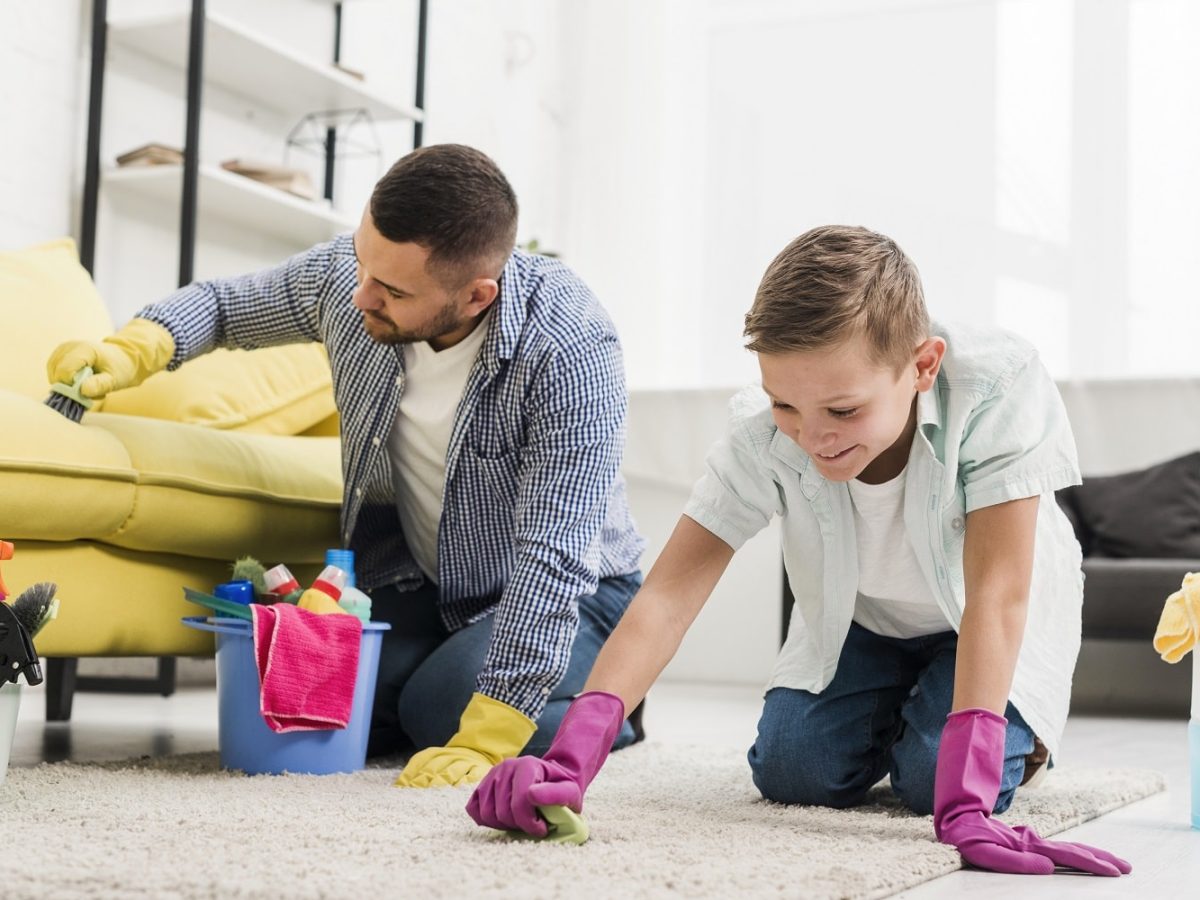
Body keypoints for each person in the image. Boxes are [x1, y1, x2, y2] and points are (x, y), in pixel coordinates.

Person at [466, 225, 1132, 877]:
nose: (814, 438)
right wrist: (570, 757)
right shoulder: (764, 435)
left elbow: (998, 594)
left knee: (934, 783)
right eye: (785, 403)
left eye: (843, 411)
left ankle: (1018, 737)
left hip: (984, 621)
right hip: (869, 624)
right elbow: (669, 594)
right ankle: (913, 704)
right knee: (794, 771)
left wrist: (966, 794)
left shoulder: (997, 388)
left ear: (922, 366)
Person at [46, 143, 646, 787]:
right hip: (426, 582)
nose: (360, 296)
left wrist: (493, 728)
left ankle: (617, 707)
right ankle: (448, 679)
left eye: (391, 290)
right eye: (363, 265)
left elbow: (554, 553)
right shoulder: (353, 279)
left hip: (582, 593)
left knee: (441, 708)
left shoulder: (570, 348)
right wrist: (137, 347)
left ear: (476, 296)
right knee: (305, 692)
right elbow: (225, 306)